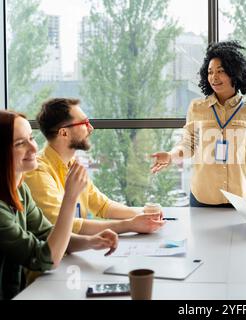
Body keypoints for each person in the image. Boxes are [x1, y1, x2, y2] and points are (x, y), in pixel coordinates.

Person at [151, 41, 246, 207]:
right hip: (203, 197)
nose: (214, 77)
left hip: (240, 198)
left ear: (234, 73)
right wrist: (170, 156)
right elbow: (188, 145)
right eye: (210, 72)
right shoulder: (197, 108)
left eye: (221, 71)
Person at [0, 111, 118, 299]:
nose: (33, 147)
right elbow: (46, 258)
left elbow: (49, 234)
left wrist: (91, 241)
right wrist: (70, 198)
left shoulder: (20, 191)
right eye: (20, 143)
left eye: (31, 138)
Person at [24, 98, 165, 235]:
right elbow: (63, 225)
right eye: (84, 123)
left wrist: (144, 214)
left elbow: (102, 205)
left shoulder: (71, 164)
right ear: (64, 133)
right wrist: (129, 225)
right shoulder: (38, 172)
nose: (90, 128)